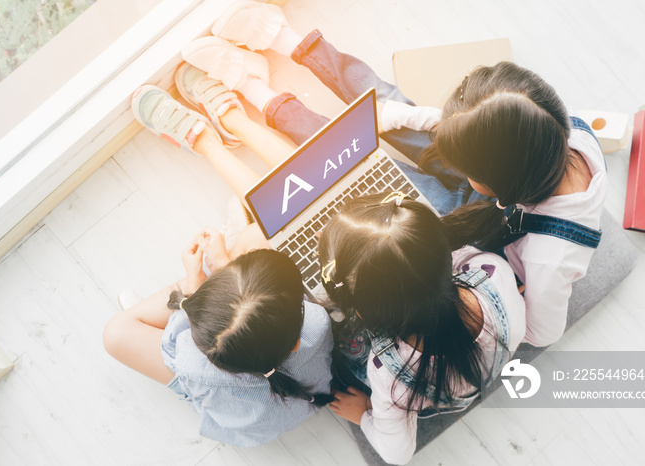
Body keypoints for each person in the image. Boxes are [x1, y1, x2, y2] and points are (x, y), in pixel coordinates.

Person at [191, 0, 607, 347]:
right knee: (387, 104)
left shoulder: (550, 259)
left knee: (348, 172)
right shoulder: (551, 124)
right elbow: (451, 124)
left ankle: (259, 94)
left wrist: (507, 290)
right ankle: (282, 38)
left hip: (484, 229)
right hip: (501, 191)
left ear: (495, 182)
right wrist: (399, 115)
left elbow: (542, 333)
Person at [103, 83, 335, 446]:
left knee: (117, 334)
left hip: (221, 385)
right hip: (282, 387)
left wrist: (195, 285)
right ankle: (215, 147)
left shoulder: (198, 366)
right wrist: (222, 263)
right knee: (254, 239)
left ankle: (209, 147)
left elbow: (187, 341)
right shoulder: (317, 323)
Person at [317, 192, 526, 464]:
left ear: (361, 312)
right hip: (481, 364)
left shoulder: (386, 372)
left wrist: (363, 417)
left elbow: (398, 454)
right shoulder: (491, 271)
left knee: (340, 342)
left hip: (426, 394)